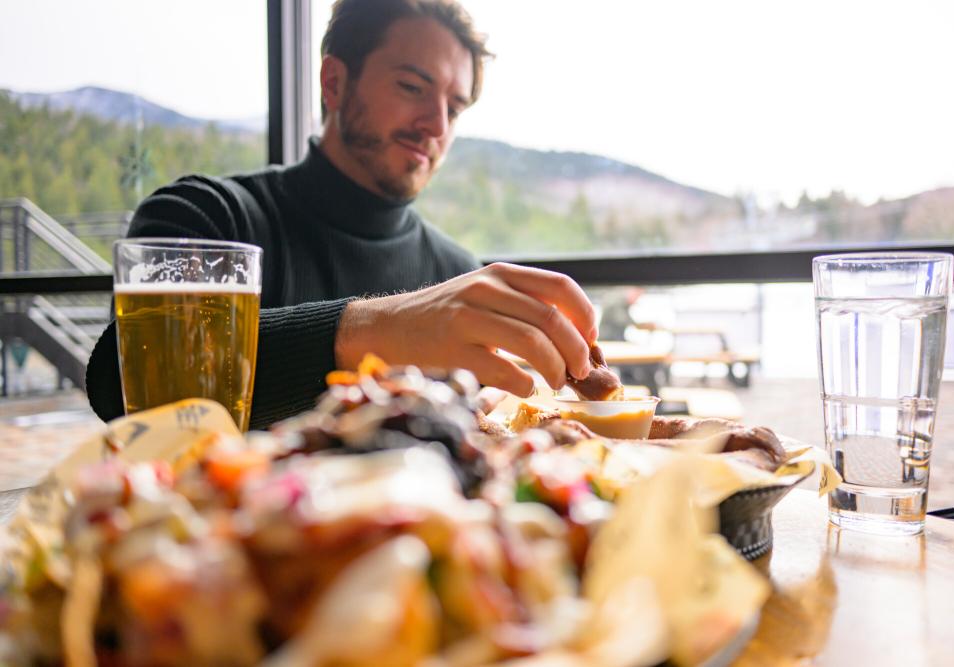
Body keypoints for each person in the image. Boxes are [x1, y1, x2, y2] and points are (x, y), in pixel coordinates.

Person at [86, 0, 597, 429]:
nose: (436, 124)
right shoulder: (205, 217)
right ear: (333, 82)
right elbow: (119, 381)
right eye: (412, 88)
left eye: (455, 107)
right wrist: (379, 330)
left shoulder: (459, 273)